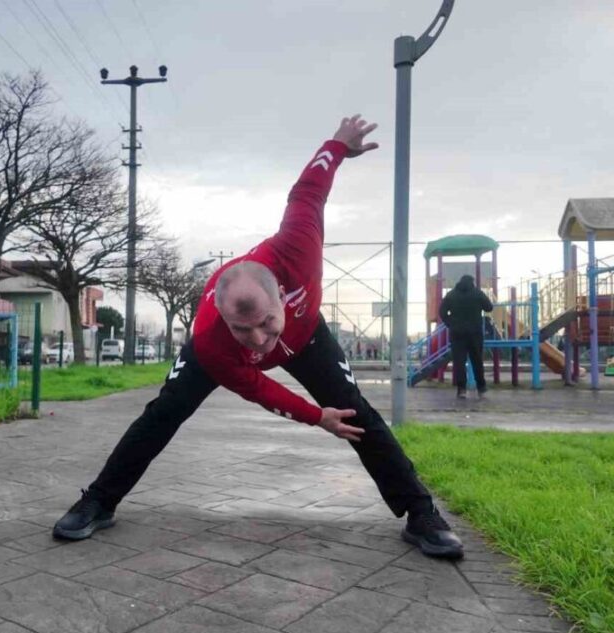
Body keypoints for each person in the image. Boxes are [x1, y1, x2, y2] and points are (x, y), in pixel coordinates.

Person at [52, 115, 463, 560]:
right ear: (224, 318)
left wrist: (338, 145)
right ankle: (99, 499)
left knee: (356, 413)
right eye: (242, 330)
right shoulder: (213, 340)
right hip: (222, 349)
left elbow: (307, 191)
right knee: (163, 412)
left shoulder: (298, 245)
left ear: (282, 295)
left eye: (266, 322)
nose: (258, 342)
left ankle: (420, 512)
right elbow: (258, 387)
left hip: (306, 336)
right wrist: (313, 416)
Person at [438, 274, 494, 399]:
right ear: (472, 282)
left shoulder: (451, 295)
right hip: (475, 332)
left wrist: (450, 323)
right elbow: (489, 307)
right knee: (477, 361)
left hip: (457, 332)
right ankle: (481, 388)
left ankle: (461, 389)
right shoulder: (477, 293)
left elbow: (442, 312)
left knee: (459, 362)